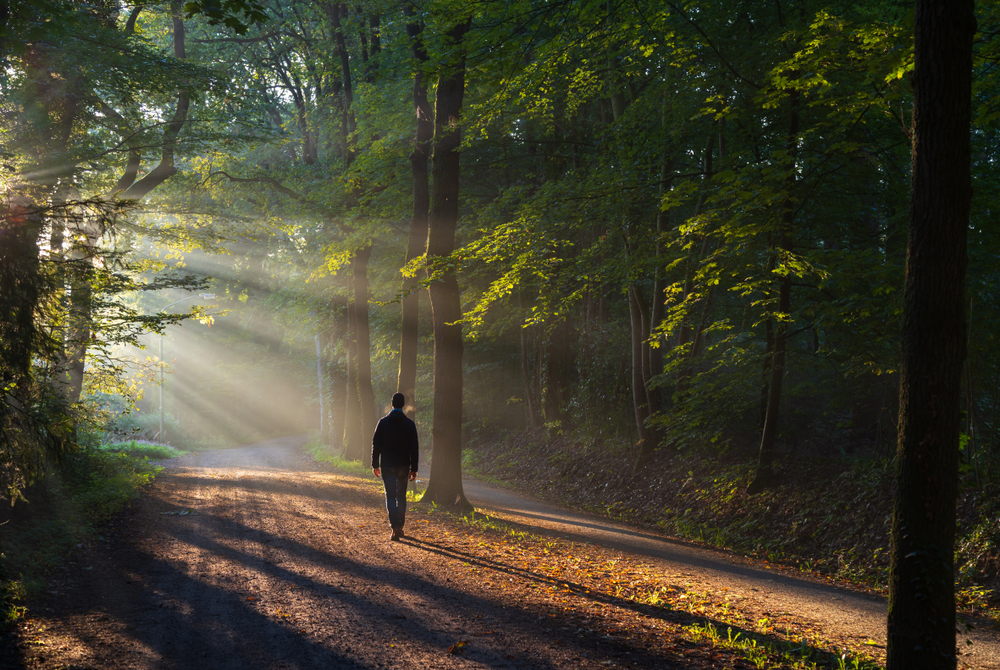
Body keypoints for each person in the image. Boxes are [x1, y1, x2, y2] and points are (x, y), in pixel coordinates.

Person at [371, 392, 419, 541]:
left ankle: (395, 527)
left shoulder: (382, 423)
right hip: (404, 466)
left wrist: (375, 464)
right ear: (403, 405)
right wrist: (414, 468)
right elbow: (414, 448)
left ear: (392, 404)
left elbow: (376, 445)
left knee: (390, 496)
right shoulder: (409, 424)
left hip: (387, 465)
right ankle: (400, 525)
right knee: (401, 497)